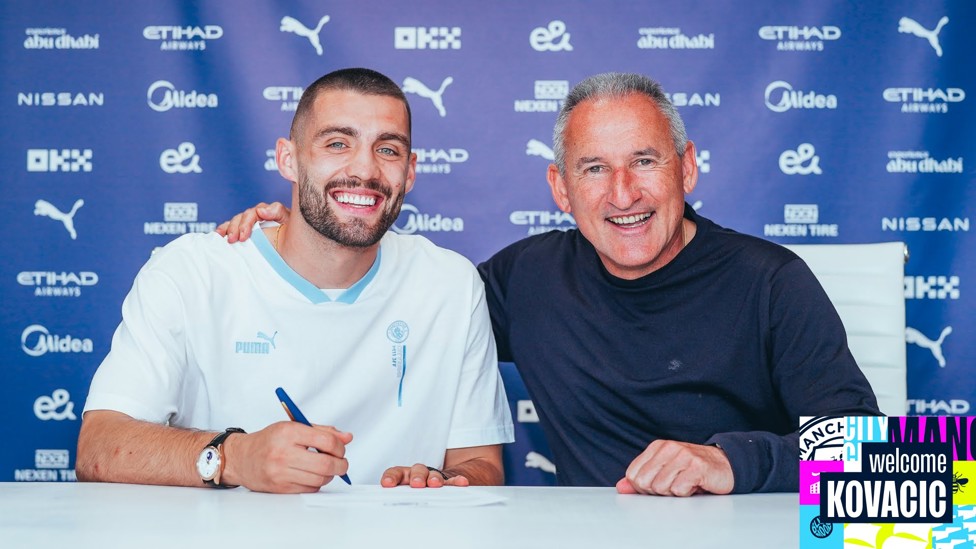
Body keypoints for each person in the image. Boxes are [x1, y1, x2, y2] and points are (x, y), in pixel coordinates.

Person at [218, 72, 880, 496]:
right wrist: (300, 240)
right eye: (593, 168)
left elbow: (887, 470)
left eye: (644, 161)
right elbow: (390, 306)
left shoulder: (772, 282)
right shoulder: (527, 278)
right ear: (560, 189)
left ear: (686, 168)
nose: (623, 193)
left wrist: (732, 462)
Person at [76, 68, 514, 494]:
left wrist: (439, 482)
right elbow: (98, 448)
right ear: (289, 159)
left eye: (388, 149)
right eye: (338, 144)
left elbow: (480, 463)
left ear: (410, 171)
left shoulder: (452, 284)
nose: (365, 170)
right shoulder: (191, 271)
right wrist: (235, 457)